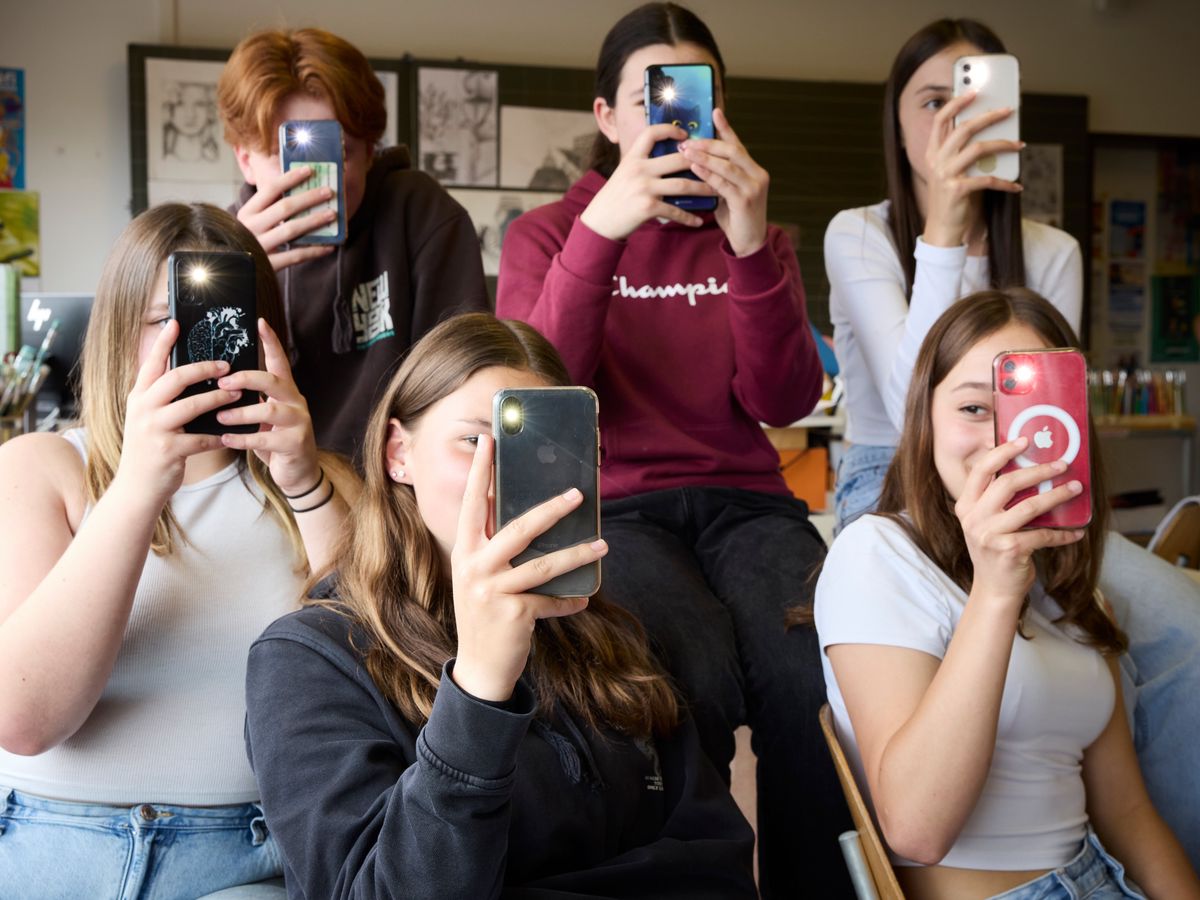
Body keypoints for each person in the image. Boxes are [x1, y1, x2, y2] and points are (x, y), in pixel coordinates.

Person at [825, 18, 1200, 865]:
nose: (955, 121)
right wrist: (944, 231)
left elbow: (1057, 410)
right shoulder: (858, 232)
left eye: (976, 99)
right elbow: (911, 399)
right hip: (896, 472)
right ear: (897, 122)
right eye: (932, 101)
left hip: (1038, 472)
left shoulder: (1050, 249)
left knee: (1178, 623)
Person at [495, 4, 846, 895]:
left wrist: (752, 245)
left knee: (811, 673)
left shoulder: (750, 233)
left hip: (745, 500)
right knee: (684, 676)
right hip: (618, 505)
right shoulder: (546, 235)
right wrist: (602, 233)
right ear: (608, 119)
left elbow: (786, 400)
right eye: (647, 100)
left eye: (695, 98)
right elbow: (539, 395)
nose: (674, 120)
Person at [243, 312, 757, 900]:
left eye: (536, 449)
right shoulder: (308, 661)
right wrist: (480, 689)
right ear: (398, 453)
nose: (502, 479)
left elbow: (717, 859)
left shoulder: (608, 630)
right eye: (472, 441)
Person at [0, 203, 352, 899]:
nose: (204, 346)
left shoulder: (321, 483)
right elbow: (25, 718)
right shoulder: (40, 466)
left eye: (227, 318)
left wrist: (306, 485)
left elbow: (376, 687)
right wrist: (136, 488)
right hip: (49, 837)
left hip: (244, 854)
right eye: (168, 320)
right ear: (117, 335)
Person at [816, 288, 1200, 899]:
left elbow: (1129, 819)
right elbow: (916, 830)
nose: (1007, 442)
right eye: (973, 408)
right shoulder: (877, 555)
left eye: (1033, 410)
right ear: (926, 419)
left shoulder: (1074, 594)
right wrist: (994, 591)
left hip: (1105, 881)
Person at [217, 27, 489, 462]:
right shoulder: (217, 248)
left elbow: (460, 382)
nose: (316, 179)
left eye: (337, 152)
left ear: (369, 150)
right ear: (245, 159)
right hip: (264, 481)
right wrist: (229, 281)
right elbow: (204, 415)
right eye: (285, 155)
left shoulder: (419, 214)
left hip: (391, 487)